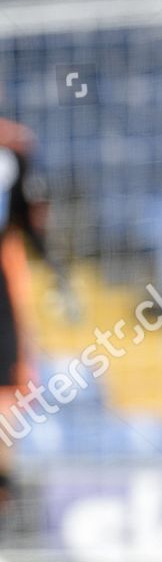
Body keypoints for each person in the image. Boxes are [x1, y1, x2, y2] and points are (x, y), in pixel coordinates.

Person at [0, 118, 51, 516]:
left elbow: (31, 224)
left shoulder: (15, 148)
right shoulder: (14, 146)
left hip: (6, 293)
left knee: (7, 395)